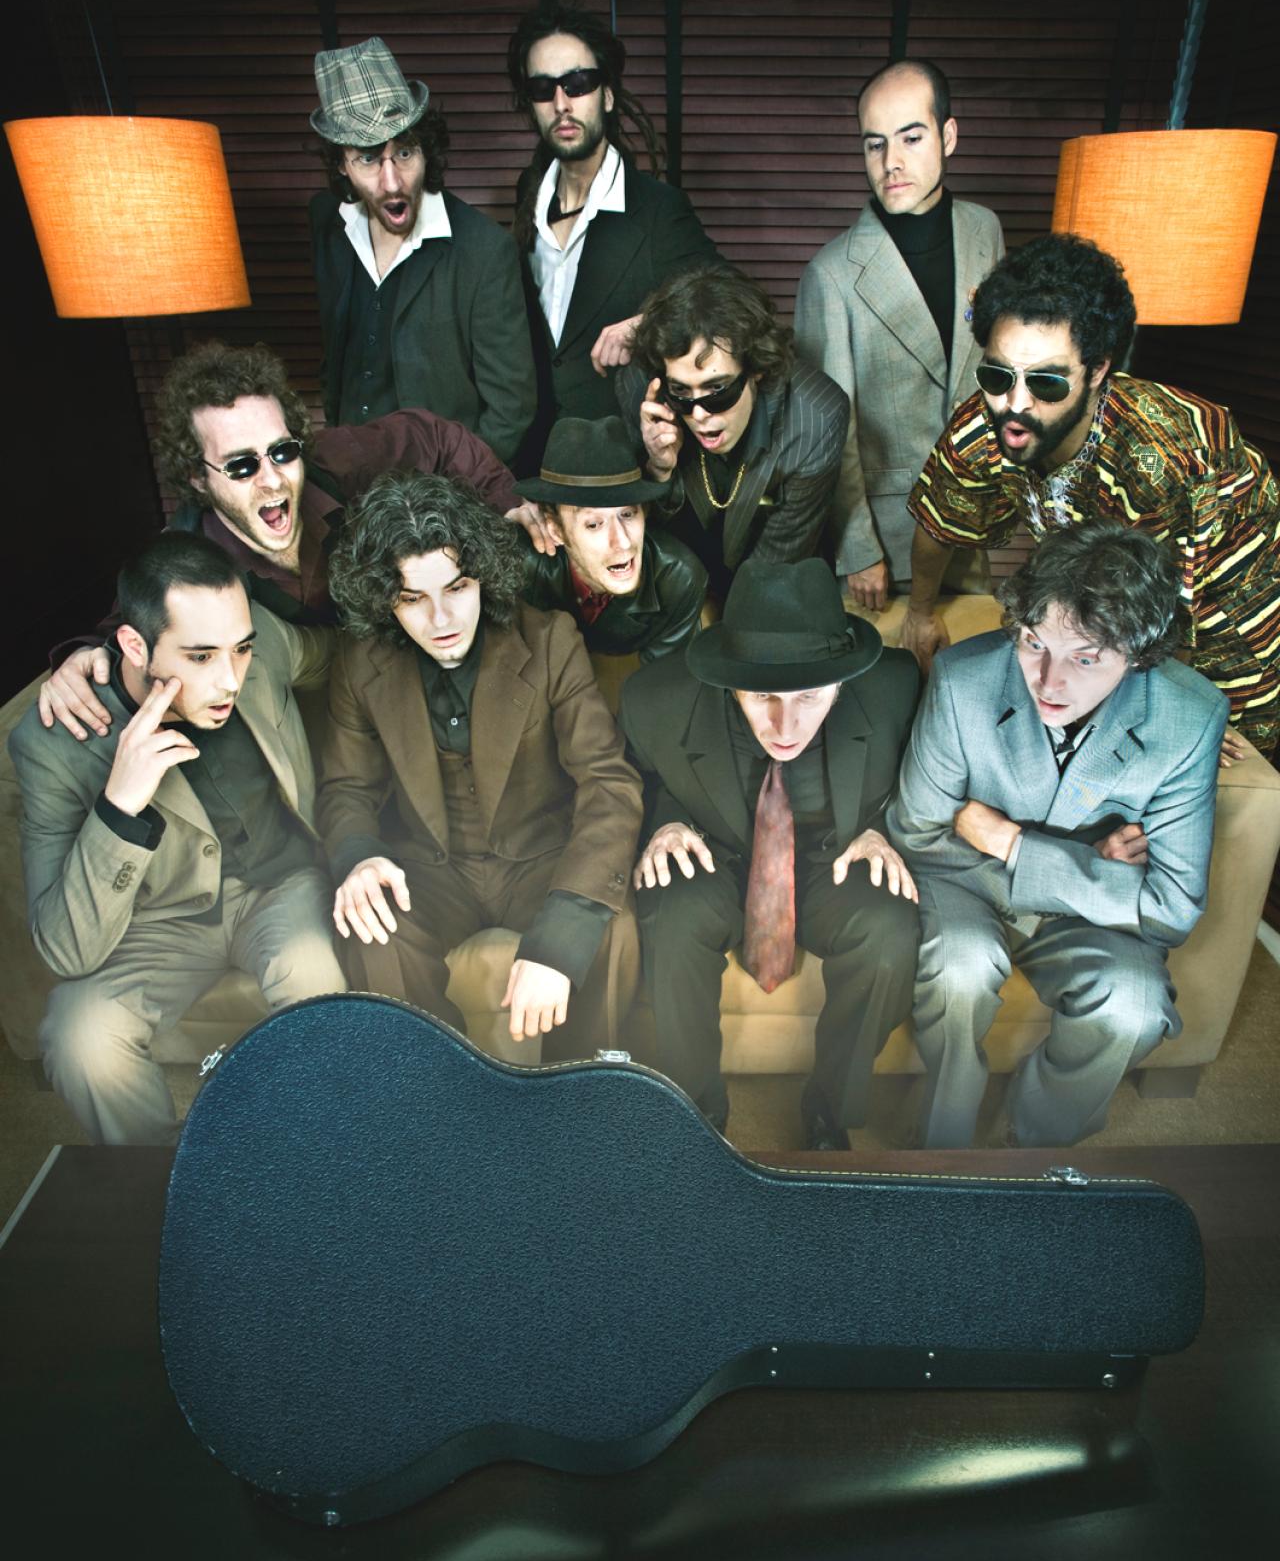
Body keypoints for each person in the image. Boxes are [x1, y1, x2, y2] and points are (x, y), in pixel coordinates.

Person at [886, 523, 1227, 1149]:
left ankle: (1033, 1148)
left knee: (1134, 1006)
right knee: (959, 969)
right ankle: (941, 1144)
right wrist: (1089, 864)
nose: (1047, 679)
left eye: (1085, 658)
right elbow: (916, 831)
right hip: (970, 888)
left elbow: (1173, 909)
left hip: (1078, 915)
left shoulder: (1190, 717)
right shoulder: (963, 677)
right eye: (1033, 642)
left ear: (1139, 654)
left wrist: (1015, 845)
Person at [9, 534, 347, 1145]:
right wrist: (119, 808)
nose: (229, 680)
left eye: (239, 649)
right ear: (134, 646)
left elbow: (338, 653)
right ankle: (169, 1180)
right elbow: (65, 952)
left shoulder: (264, 643)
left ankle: (316, 1163)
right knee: (80, 1036)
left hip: (283, 886)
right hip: (159, 922)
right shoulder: (53, 741)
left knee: (314, 979)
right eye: (200, 657)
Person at [39, 340, 551, 739]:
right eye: (241, 465)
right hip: (312, 706)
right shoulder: (187, 548)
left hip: (401, 662)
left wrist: (506, 501)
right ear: (198, 478)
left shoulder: (336, 461)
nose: (272, 480)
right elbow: (127, 623)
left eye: (281, 452)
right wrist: (80, 657)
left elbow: (436, 436)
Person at [900, 232, 1280, 757]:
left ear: (1098, 370)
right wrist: (920, 613)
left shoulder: (1162, 457)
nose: (1015, 404)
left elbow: (1168, 616)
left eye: (1046, 383)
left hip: (1225, 617)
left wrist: (1185, 713)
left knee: (1185, 752)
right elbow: (940, 520)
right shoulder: (983, 424)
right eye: (997, 375)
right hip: (1110, 598)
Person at [318, 472, 642, 1051]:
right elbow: (347, 787)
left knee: (608, 923)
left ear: (484, 578)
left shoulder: (549, 640)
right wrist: (359, 857)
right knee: (371, 930)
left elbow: (607, 781)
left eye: (457, 588)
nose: (441, 619)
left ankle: (584, 1096)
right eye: (412, 598)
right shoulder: (360, 660)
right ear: (383, 598)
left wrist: (563, 936)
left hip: (540, 857)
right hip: (430, 870)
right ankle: (434, 1095)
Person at [620, 558, 920, 1146]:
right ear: (730, 683)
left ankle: (830, 1111)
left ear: (842, 681)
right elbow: (628, 785)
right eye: (761, 696)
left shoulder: (897, 690)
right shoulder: (653, 701)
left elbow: (933, 778)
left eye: (809, 697)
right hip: (714, 856)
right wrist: (665, 823)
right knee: (672, 911)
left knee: (888, 926)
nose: (785, 725)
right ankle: (695, 1119)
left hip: (833, 861)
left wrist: (883, 827)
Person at [794, 58, 1005, 606]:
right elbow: (825, 434)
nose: (891, 162)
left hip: (972, 525)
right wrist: (859, 551)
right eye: (875, 144)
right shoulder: (830, 275)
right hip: (887, 548)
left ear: (948, 136)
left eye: (911, 138)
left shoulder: (984, 230)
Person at [506, 1, 718, 466]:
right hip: (534, 461)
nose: (561, 104)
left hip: (623, 467)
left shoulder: (657, 210)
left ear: (606, 95)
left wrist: (645, 325)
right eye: (543, 89)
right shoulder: (528, 195)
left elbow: (729, 302)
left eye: (577, 83)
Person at [309, 36, 535, 464]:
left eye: (405, 152)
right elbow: (335, 360)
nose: (392, 181)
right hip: (349, 477)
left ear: (427, 150)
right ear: (341, 164)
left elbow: (511, 409)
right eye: (368, 159)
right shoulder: (328, 224)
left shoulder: (485, 251)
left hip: (441, 490)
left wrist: (457, 492)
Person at [620, 265, 848, 601]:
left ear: (755, 370)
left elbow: (777, 563)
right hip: (683, 587)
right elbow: (648, 544)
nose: (699, 415)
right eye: (682, 392)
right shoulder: (642, 392)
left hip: (774, 584)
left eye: (717, 390)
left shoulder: (814, 416)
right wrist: (659, 471)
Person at [515, 415, 707, 664]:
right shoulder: (522, 564)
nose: (623, 542)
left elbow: (666, 680)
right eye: (594, 524)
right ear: (556, 531)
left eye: (627, 514)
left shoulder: (678, 578)